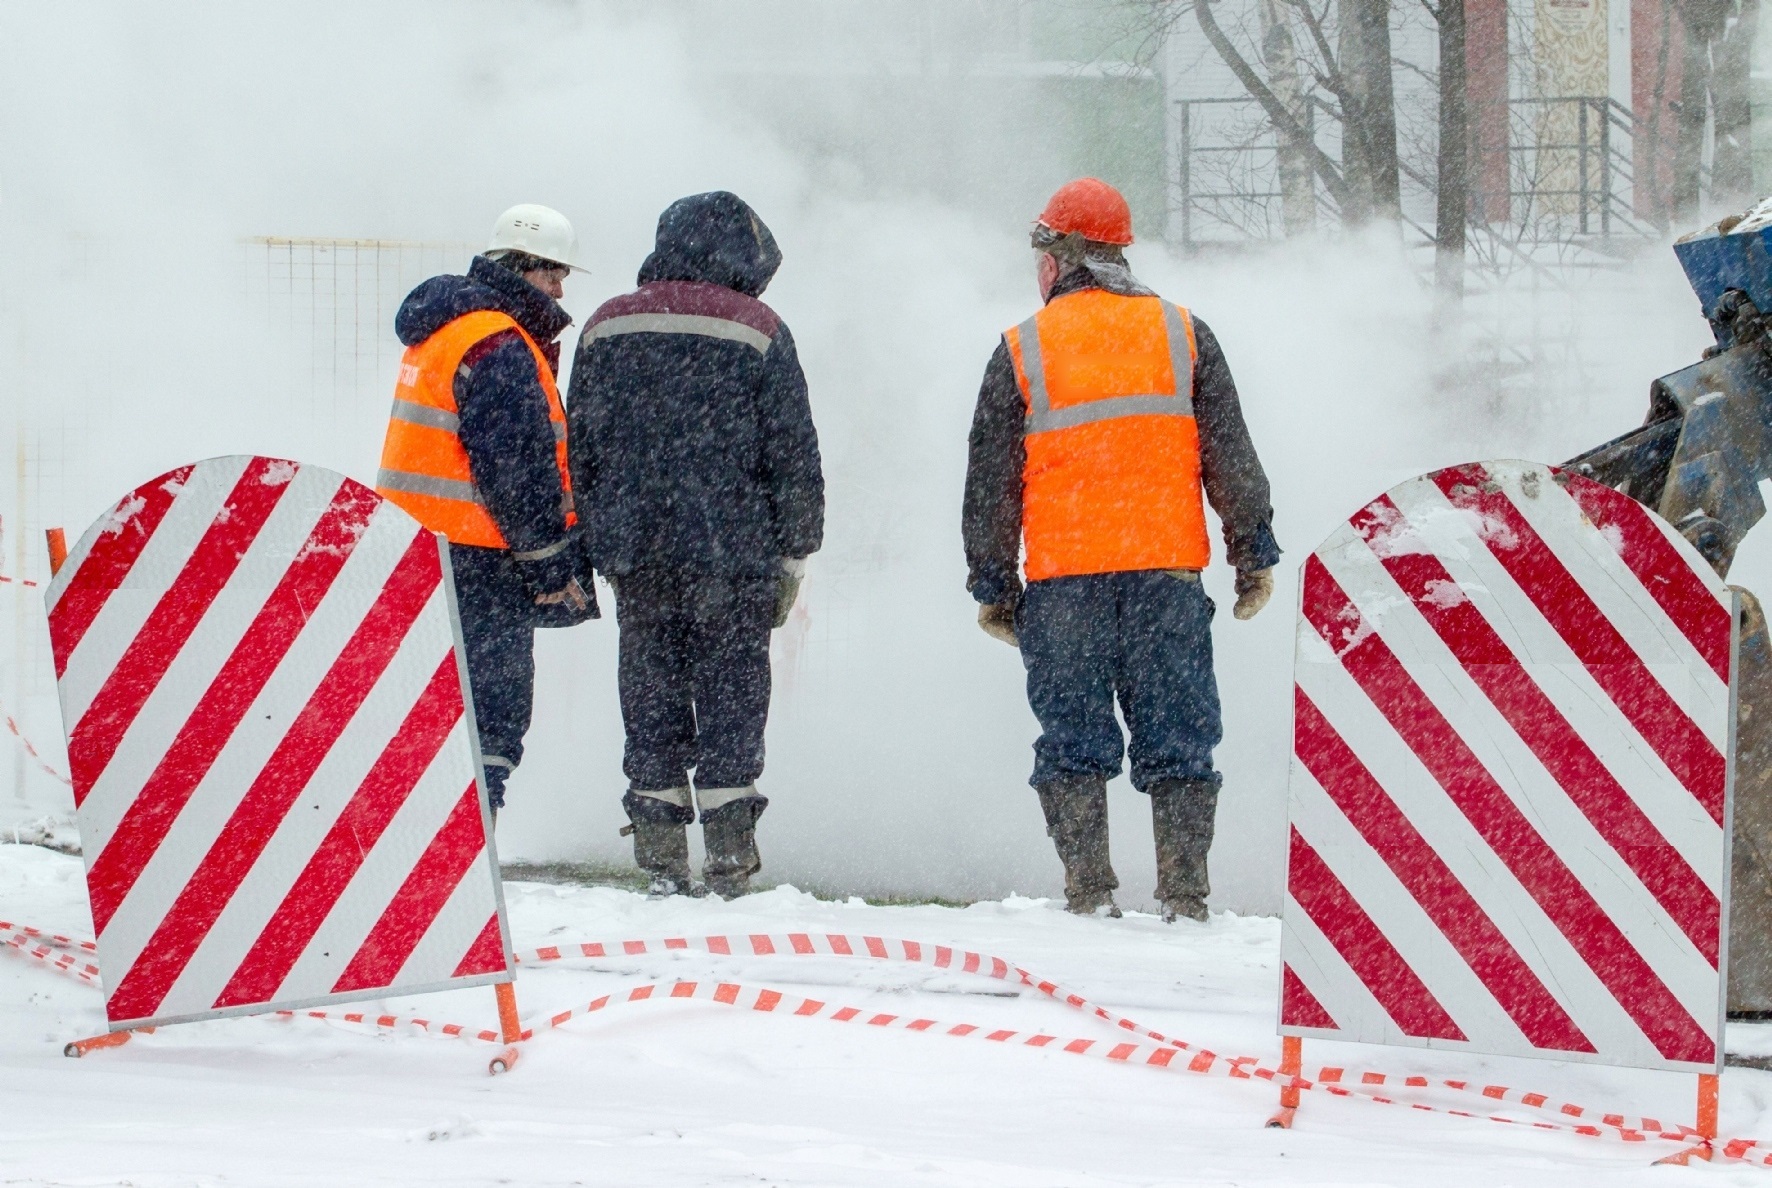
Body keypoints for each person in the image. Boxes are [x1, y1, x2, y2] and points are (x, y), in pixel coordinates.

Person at [962, 178, 1279, 922]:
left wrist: (992, 587)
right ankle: (1184, 896)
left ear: (1063, 256)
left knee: (1073, 740)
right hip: (1164, 578)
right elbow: (1230, 456)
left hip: (1064, 585)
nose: (1036, 269)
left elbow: (991, 485)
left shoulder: (1022, 348)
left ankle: (1089, 892)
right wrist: (1252, 552)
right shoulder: (1184, 333)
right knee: (1179, 735)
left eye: (1041, 252)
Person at [567, 191, 823, 899]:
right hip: (732, 555)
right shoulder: (760, 327)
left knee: (648, 690)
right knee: (733, 693)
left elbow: (579, 447)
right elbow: (792, 453)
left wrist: (596, 536)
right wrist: (796, 549)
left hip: (636, 558)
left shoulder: (605, 326)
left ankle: (658, 855)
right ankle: (731, 857)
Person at [376, 203, 597, 819]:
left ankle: (421, 825)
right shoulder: (497, 341)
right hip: (483, 554)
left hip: (416, 544)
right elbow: (514, 464)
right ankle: (474, 830)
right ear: (522, 269)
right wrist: (551, 563)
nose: (558, 291)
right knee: (492, 705)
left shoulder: (448, 328)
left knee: (431, 699)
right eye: (553, 275)